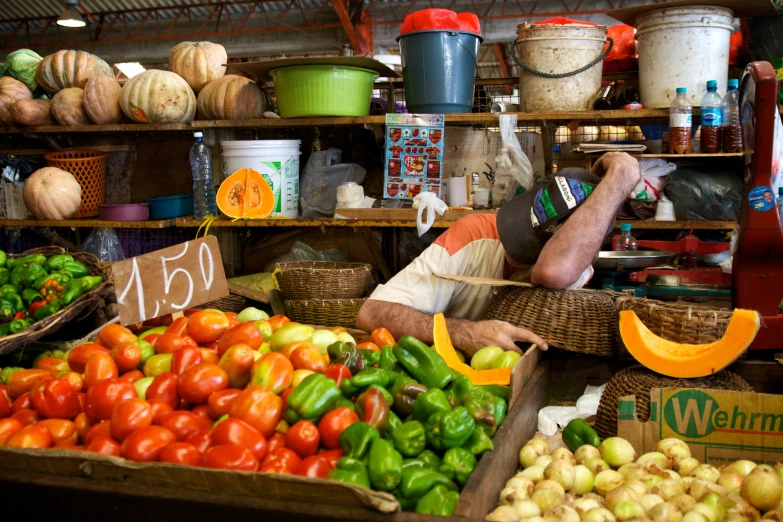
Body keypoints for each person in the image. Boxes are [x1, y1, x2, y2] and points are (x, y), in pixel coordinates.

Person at [356, 152, 642, 355]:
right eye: (517, 231)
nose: (513, 249)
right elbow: (372, 312)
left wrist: (620, 177)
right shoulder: (474, 233)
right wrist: (462, 332)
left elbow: (552, 272)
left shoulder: (574, 262)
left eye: (531, 246)